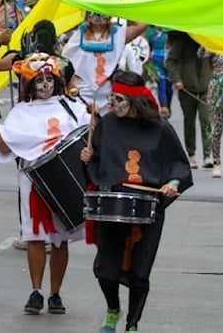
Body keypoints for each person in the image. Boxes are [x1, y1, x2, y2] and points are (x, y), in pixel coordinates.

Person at [80, 70, 192, 333]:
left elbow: (179, 165)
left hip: (147, 206)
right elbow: (95, 166)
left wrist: (173, 184)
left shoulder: (160, 128)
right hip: (112, 204)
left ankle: (132, 324)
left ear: (134, 100)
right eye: (111, 97)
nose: (112, 104)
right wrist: (87, 159)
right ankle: (112, 309)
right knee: (106, 271)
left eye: (118, 99)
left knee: (140, 274)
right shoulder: (105, 124)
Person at [0, 53, 91, 315]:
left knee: (60, 239)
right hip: (34, 183)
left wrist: (90, 149)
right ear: (30, 85)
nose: (45, 85)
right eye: (39, 80)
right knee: (34, 237)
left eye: (48, 79)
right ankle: (36, 292)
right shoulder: (21, 112)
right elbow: (5, 147)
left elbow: (90, 134)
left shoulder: (71, 105)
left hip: (65, 181)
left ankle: (55, 294)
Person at [62, 12, 147, 113]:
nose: (98, 16)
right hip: (81, 92)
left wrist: (120, 9)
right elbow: (66, 61)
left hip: (106, 94)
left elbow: (143, 23)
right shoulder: (78, 35)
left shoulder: (117, 34)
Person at [165, 31, 213, 168]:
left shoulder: (210, 40)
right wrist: (176, 79)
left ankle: (207, 155)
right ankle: (191, 154)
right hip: (186, 88)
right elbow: (170, 61)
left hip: (206, 87)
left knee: (206, 120)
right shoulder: (183, 41)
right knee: (189, 121)